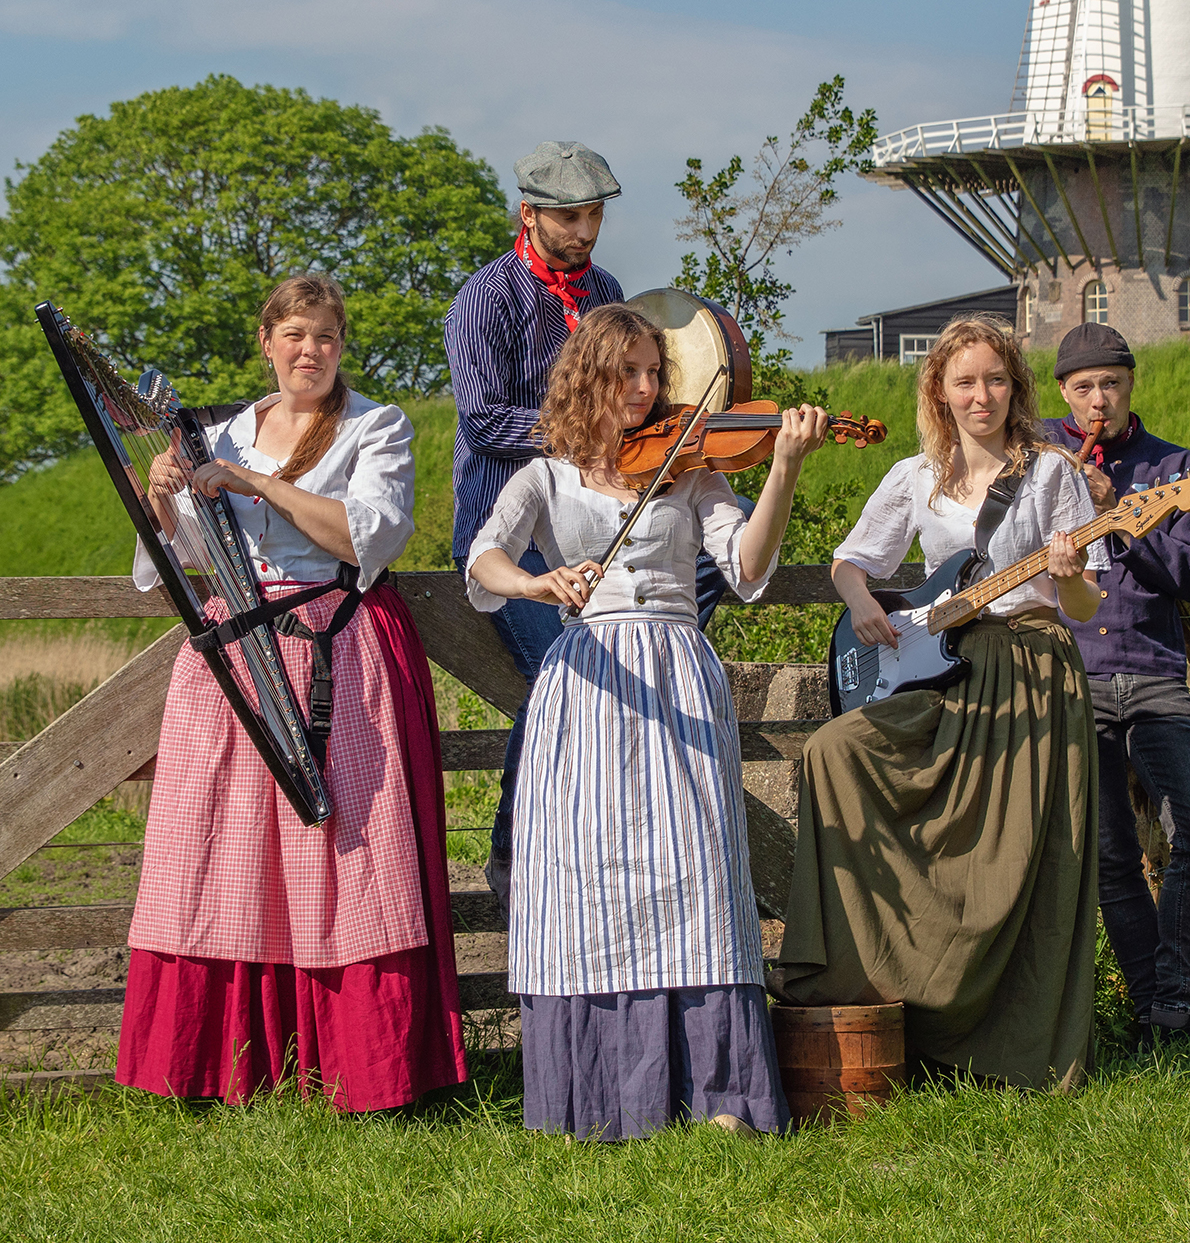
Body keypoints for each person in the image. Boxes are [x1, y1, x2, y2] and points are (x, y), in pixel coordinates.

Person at [467, 302, 829, 1140]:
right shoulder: (545, 476)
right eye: (627, 371)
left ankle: (716, 1095)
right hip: (586, 680)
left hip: (676, 669)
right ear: (589, 375)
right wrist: (540, 582)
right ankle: (596, 1099)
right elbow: (484, 562)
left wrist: (783, 469)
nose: (645, 388)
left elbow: (745, 568)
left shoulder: (691, 471)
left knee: (693, 867)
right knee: (587, 873)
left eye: (654, 373)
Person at [115, 273, 467, 1112]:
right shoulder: (219, 430)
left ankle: (361, 1063)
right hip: (232, 652)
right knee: (221, 850)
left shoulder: (375, 426)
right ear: (267, 339)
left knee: (341, 848)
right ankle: (224, 1063)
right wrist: (162, 497)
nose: (311, 350)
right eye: (296, 334)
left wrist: (254, 482)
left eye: (327, 336)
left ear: (341, 346)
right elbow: (170, 559)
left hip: (333, 645)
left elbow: (366, 536)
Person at [773, 315, 1107, 1091]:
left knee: (1021, 858)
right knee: (836, 749)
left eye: (995, 378)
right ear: (940, 390)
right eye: (965, 380)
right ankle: (871, 986)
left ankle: (1013, 1046)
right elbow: (852, 560)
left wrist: (1066, 573)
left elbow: (1086, 609)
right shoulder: (913, 475)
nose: (981, 393)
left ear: (1014, 385)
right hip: (941, 671)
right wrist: (860, 600)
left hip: (1031, 668)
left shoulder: (1053, 472)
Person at [445, 139, 741, 920]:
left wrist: (650, 443)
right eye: (570, 216)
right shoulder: (486, 298)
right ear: (529, 214)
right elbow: (480, 422)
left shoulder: (607, 290)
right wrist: (585, 436)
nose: (586, 231)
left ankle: (638, 845)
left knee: (691, 587)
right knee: (562, 684)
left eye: (596, 215)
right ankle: (520, 850)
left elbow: (644, 378)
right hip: (508, 534)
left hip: (608, 524)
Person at [1042, 321, 1190, 1048]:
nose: (1099, 398)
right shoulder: (1039, 464)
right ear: (1064, 390)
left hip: (1152, 673)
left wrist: (1118, 512)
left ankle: (1172, 995)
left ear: (1130, 385)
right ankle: (1164, 1014)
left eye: (1111, 383)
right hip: (1072, 677)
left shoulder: (1173, 465)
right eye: (1084, 385)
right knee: (1110, 852)